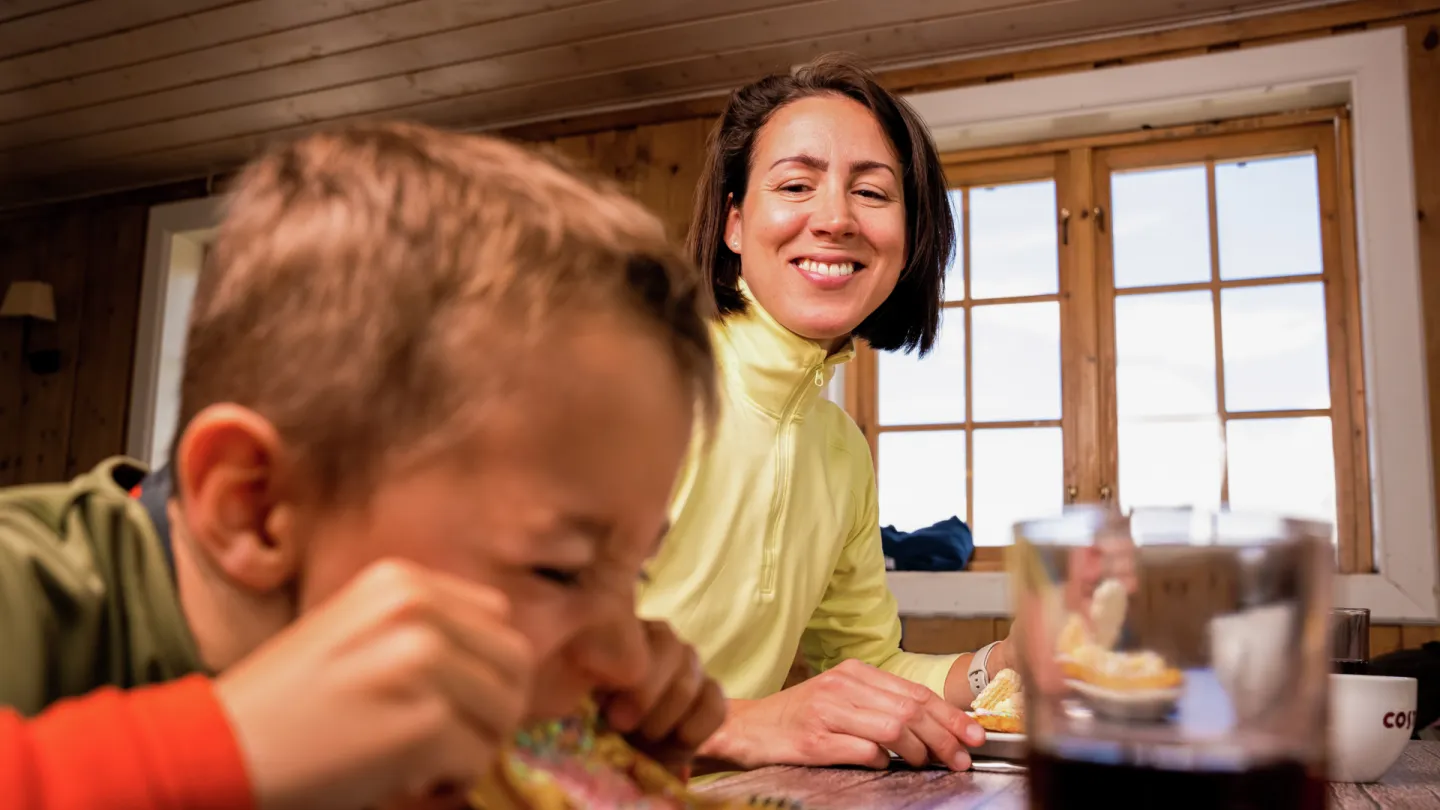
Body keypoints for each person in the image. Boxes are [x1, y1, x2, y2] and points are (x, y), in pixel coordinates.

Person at [0, 122, 727, 810]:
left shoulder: (571, 679)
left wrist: (600, 780)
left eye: (633, 574)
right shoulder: (26, 591)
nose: (628, 659)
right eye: (558, 568)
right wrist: (237, 750)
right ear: (255, 507)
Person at [637, 54, 1014, 773]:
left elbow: (866, 662)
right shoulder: (627, 384)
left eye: (872, 192)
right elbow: (491, 678)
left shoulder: (840, 449)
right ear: (735, 224)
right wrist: (739, 723)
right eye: (796, 184)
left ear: (908, 239)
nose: (836, 218)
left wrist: (999, 663)